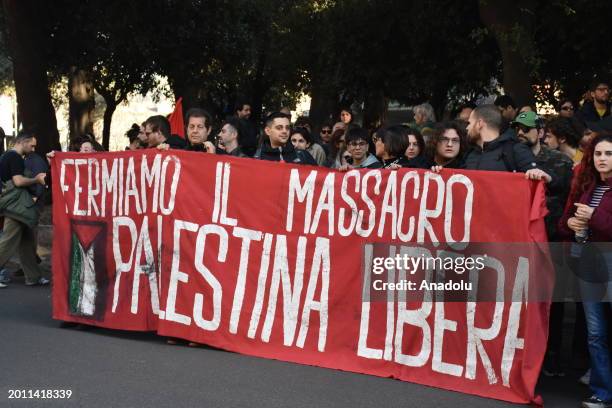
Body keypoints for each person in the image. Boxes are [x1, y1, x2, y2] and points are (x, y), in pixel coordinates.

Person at [558, 133, 612, 408]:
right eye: (599, 153)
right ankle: (602, 391)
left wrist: (593, 217)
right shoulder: (587, 186)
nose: (603, 159)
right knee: (595, 332)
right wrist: (572, 224)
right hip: (589, 263)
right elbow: (564, 222)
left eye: (609, 153)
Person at [442, 105, 550, 182]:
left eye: (470, 123)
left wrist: (543, 176)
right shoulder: (469, 153)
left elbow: (550, 181)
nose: (467, 127)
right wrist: (439, 173)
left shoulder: (515, 149)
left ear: (479, 124)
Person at [0, 130, 48, 288]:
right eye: (32, 146)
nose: (33, 149)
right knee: (7, 243)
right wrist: (37, 179)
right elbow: (19, 181)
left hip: (17, 207)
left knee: (27, 242)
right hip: (17, 208)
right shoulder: (14, 157)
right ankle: (33, 277)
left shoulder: (7, 156)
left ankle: (33, 277)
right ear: (23, 141)